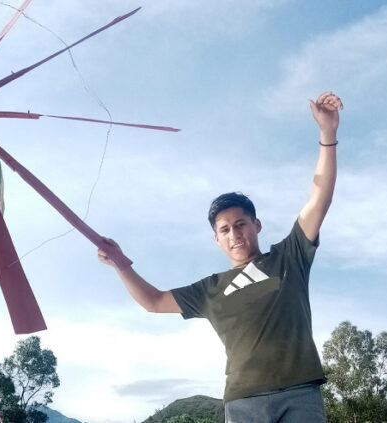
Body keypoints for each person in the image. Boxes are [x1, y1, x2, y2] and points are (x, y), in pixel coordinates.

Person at [98, 91, 343, 422]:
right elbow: (153, 302)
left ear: (256, 225)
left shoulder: (289, 257)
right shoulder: (210, 289)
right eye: (225, 229)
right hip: (244, 402)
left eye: (241, 224)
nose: (234, 234)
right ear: (217, 239)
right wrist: (120, 263)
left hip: (299, 394)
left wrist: (327, 133)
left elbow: (319, 199)